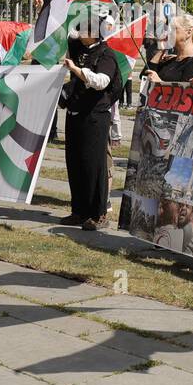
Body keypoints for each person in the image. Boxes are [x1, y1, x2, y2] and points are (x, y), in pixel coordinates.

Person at [60, 24, 124, 230]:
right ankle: (79, 211)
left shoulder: (106, 54)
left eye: (84, 30)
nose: (79, 33)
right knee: (75, 163)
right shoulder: (80, 48)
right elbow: (67, 30)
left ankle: (99, 214)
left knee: (94, 166)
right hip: (75, 112)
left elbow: (101, 81)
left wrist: (77, 70)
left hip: (95, 116)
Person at [144, 13, 193, 85]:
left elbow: (189, 93)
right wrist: (162, 50)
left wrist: (160, 83)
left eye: (173, 29)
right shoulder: (172, 59)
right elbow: (145, 75)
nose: (168, 33)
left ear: (188, 32)